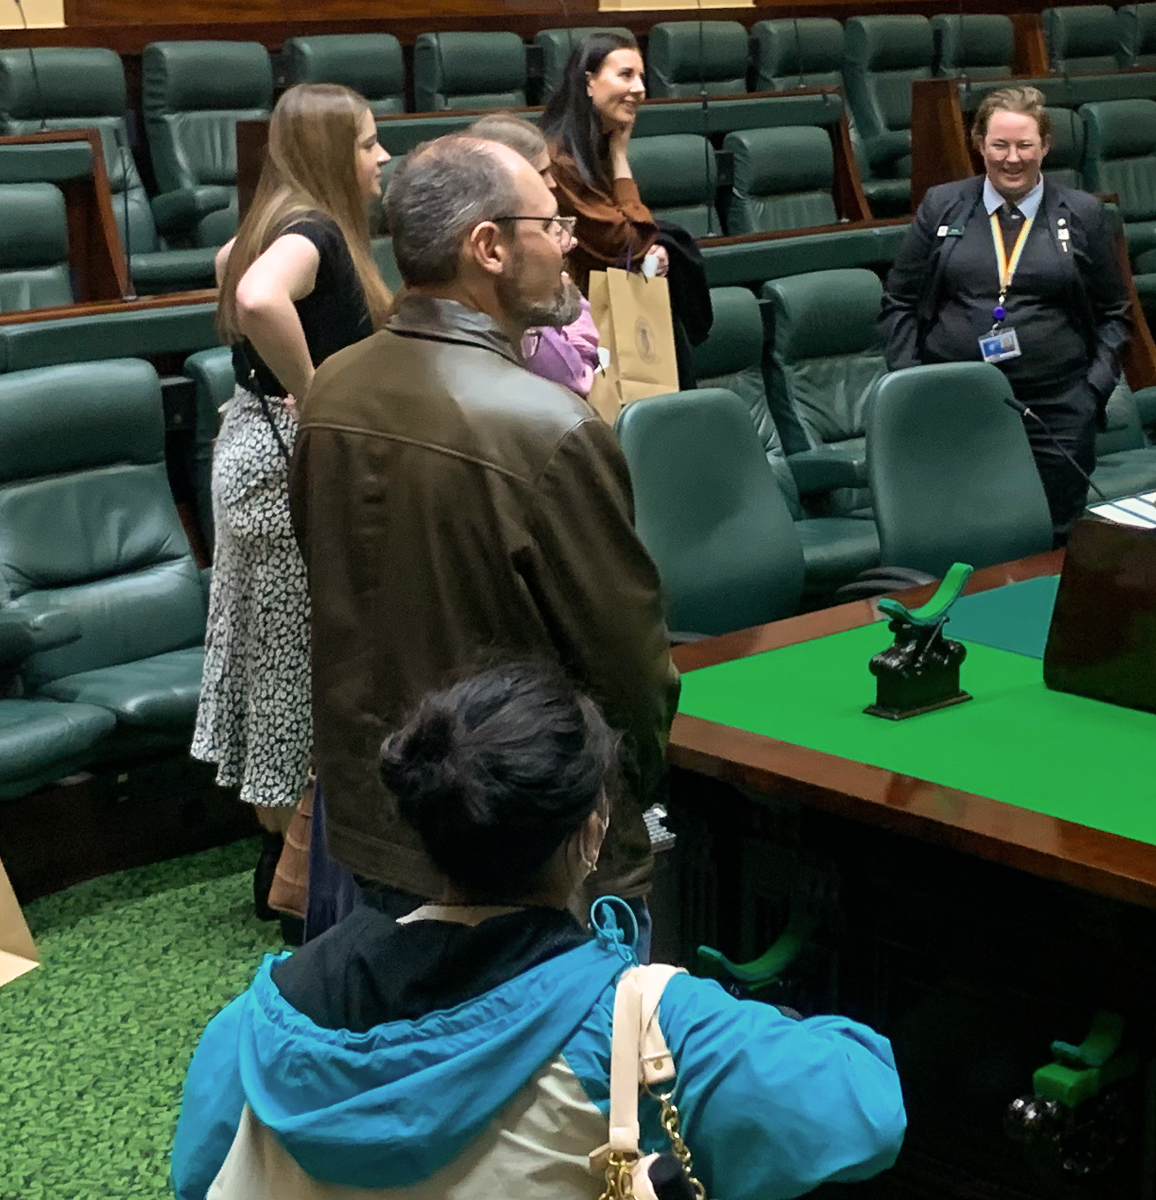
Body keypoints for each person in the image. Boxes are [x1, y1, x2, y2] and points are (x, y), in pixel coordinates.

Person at [172, 663, 907, 1200]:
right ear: (592, 833)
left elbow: (199, 1176)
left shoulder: (255, 1021)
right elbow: (867, 1113)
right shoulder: (650, 1024)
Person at [291, 135, 677, 938]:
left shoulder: (331, 386)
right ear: (490, 248)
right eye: (551, 223)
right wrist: (615, 808)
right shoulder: (551, 428)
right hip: (524, 848)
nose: (567, 242)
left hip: (375, 817)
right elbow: (629, 670)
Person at [190, 83, 393, 929]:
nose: (383, 160)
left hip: (254, 450)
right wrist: (316, 394)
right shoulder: (310, 232)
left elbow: (227, 266)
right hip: (284, 464)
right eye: (368, 145)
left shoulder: (276, 220)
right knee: (291, 665)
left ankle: (284, 861)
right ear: (327, 154)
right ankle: (291, 877)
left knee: (273, 657)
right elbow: (255, 298)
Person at [880, 86, 1131, 545]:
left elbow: (1115, 314)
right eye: (999, 145)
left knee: (1056, 540)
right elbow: (899, 301)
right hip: (957, 404)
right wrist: (913, 381)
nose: (1012, 159)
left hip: (1055, 408)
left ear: (1045, 146)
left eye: (1024, 145)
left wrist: (1090, 393)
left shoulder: (1083, 213)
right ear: (980, 145)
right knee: (967, 536)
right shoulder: (943, 205)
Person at [540, 31, 712, 381]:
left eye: (641, 77)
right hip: (583, 326)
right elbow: (627, 241)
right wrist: (620, 156)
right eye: (625, 75)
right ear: (588, 82)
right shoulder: (560, 162)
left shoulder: (595, 147)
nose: (639, 89)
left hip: (615, 312)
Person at [467, 113, 601, 398]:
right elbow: (576, 378)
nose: (552, 183)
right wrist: (566, 292)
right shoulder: (514, 287)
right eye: (542, 173)